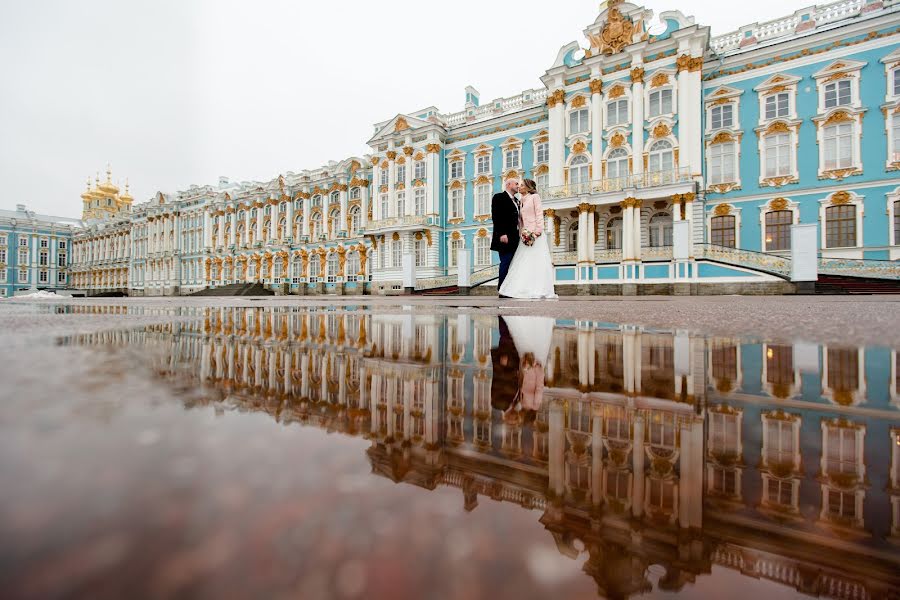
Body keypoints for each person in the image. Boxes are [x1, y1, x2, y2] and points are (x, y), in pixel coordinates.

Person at [497, 178, 557, 299]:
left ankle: (537, 288)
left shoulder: (535, 197)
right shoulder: (520, 201)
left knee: (536, 262)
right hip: (525, 236)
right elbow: (520, 221)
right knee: (523, 263)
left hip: (535, 235)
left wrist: (537, 232)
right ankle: (523, 288)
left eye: (522, 185)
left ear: (528, 187)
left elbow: (539, 215)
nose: (519, 187)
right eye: (518, 185)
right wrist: (523, 234)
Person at [490, 178, 521, 294]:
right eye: (516, 183)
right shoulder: (499, 197)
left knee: (514, 264)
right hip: (504, 237)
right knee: (506, 262)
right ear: (508, 184)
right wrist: (502, 233)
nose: (518, 186)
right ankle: (502, 289)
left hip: (515, 238)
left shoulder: (517, 200)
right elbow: (496, 216)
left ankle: (510, 288)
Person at [490, 316, 520, 412]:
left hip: (506, 360)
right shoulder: (511, 398)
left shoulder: (504, 398)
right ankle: (503, 315)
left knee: (506, 336)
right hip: (508, 360)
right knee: (508, 336)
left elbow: (498, 376)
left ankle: (503, 315)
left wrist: (501, 364)